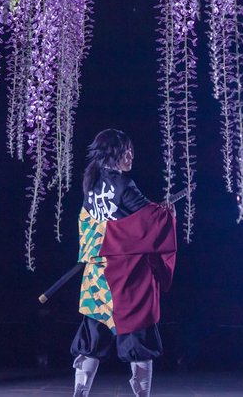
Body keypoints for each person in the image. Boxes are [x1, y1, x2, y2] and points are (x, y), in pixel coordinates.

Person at [71, 129, 177, 397]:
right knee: (137, 336)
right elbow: (151, 221)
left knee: (92, 337)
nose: (131, 155)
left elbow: (98, 223)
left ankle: (80, 391)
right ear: (112, 153)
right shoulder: (123, 185)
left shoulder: (91, 183)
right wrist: (165, 213)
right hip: (126, 279)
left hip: (97, 278)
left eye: (131, 149)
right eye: (125, 150)